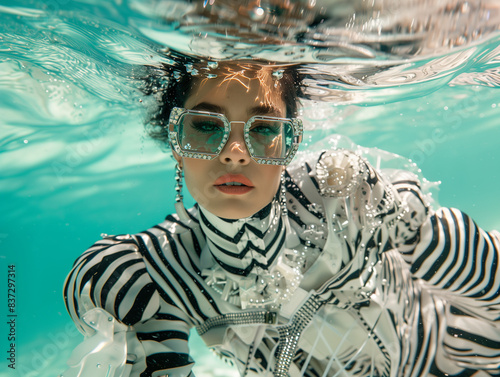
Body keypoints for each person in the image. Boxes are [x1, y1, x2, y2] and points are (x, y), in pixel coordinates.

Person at [63, 60, 500, 377]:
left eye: (264, 129)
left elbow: (483, 275)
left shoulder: (339, 195)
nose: (234, 152)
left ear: (289, 144)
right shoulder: (162, 271)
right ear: (175, 140)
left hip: (460, 353)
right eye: (206, 127)